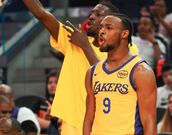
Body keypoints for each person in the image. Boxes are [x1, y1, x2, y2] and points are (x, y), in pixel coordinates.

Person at [22, 0, 138, 134]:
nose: (91, 16)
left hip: (108, 123)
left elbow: (108, 76)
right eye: (91, 13)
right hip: (74, 123)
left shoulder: (126, 48)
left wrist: (85, 45)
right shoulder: (74, 39)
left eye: (98, 14)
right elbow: (41, 14)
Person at [83, 13, 157, 135]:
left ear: (124, 34)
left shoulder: (141, 71)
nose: (101, 31)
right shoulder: (92, 72)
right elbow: (88, 119)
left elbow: (149, 121)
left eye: (108, 27)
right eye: (101, 27)